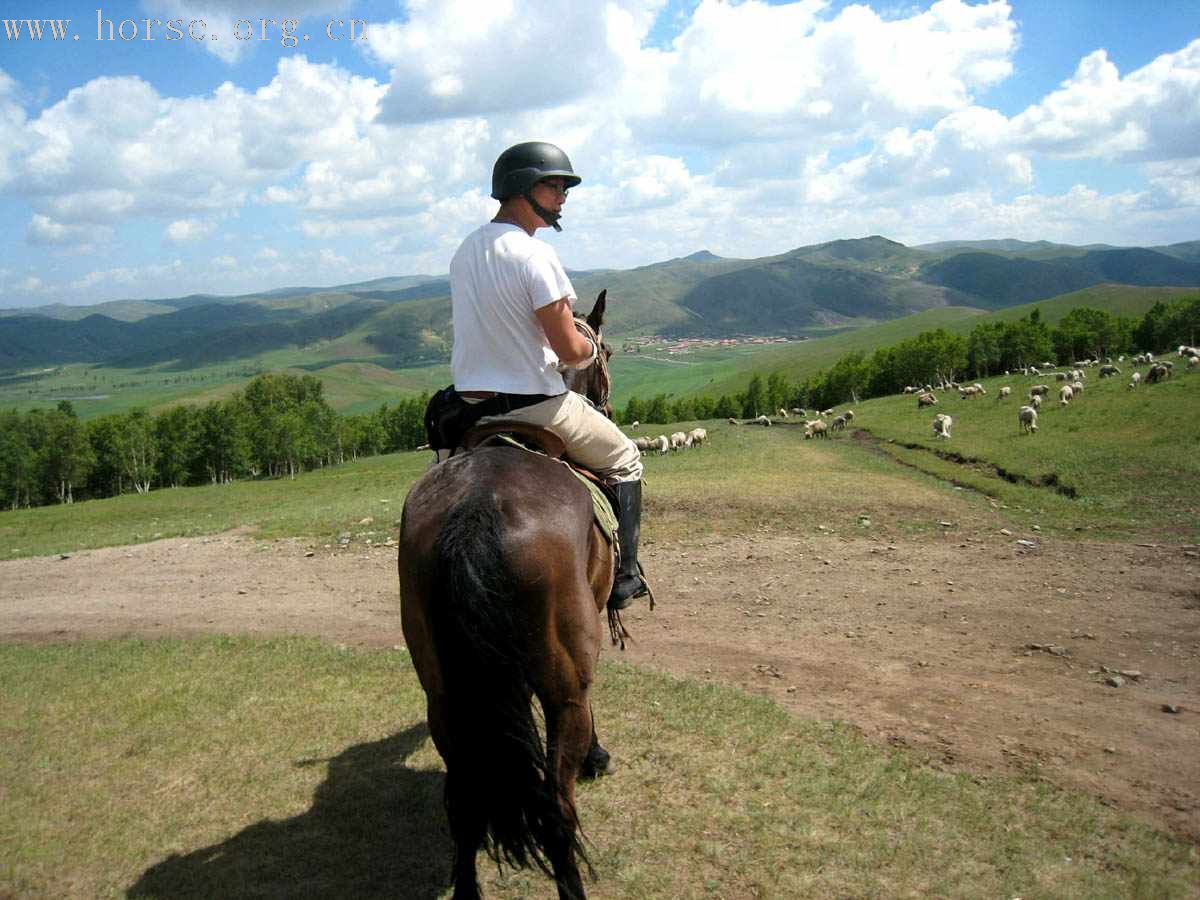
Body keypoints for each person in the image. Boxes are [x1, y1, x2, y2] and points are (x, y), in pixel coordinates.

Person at [447, 140, 649, 611]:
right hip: (535, 405)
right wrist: (589, 346)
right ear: (522, 187)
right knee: (625, 457)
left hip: (471, 407)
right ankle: (626, 576)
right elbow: (568, 349)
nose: (562, 195)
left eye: (564, 187)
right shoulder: (535, 255)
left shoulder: (466, 250)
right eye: (553, 185)